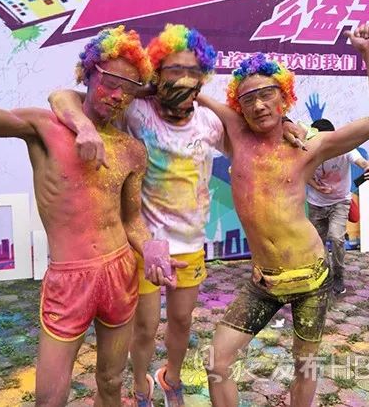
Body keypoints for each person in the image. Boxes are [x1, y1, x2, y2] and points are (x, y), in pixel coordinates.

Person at [0, 4, 179, 406]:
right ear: (88, 74)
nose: (117, 95)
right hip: (70, 280)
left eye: (128, 89)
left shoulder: (132, 150)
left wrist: (151, 246)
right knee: (49, 398)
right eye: (110, 82)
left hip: (120, 271)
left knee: (112, 383)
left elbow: (131, 219)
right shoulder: (43, 127)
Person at [48, 24, 306, 407]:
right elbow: (63, 96)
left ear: (203, 76)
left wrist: (286, 124)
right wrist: (92, 120)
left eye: (192, 71)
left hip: (191, 245)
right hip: (145, 244)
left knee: (182, 322)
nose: (183, 79)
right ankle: (141, 387)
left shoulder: (210, 122)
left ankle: (170, 377)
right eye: (173, 70)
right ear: (157, 73)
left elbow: (253, 139)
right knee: (145, 327)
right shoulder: (136, 112)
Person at [197, 24, 369, 406]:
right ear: (239, 105)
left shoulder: (308, 146)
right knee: (217, 361)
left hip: (311, 277)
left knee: (305, 364)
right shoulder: (236, 136)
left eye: (267, 94)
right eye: (248, 98)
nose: (258, 105)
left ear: (284, 97)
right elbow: (195, 96)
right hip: (264, 282)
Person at [306, 118, 369, 295]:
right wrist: (316, 186)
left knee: (337, 238)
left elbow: (361, 162)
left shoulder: (345, 149)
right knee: (317, 243)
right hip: (316, 204)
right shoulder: (307, 150)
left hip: (340, 202)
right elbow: (303, 173)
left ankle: (338, 275)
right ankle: (322, 275)